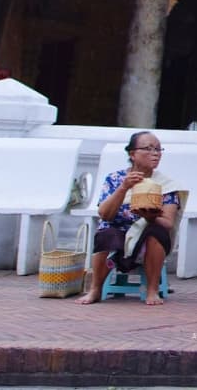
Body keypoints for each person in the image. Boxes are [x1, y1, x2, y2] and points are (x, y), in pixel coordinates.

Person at [77, 131, 180, 306]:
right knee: (105, 232)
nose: (155, 153)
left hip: (147, 233)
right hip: (118, 231)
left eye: (158, 149)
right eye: (148, 149)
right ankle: (95, 290)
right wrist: (124, 187)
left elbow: (168, 223)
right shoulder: (115, 179)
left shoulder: (166, 184)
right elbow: (104, 214)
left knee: (157, 232)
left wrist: (149, 217)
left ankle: (152, 290)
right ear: (132, 154)